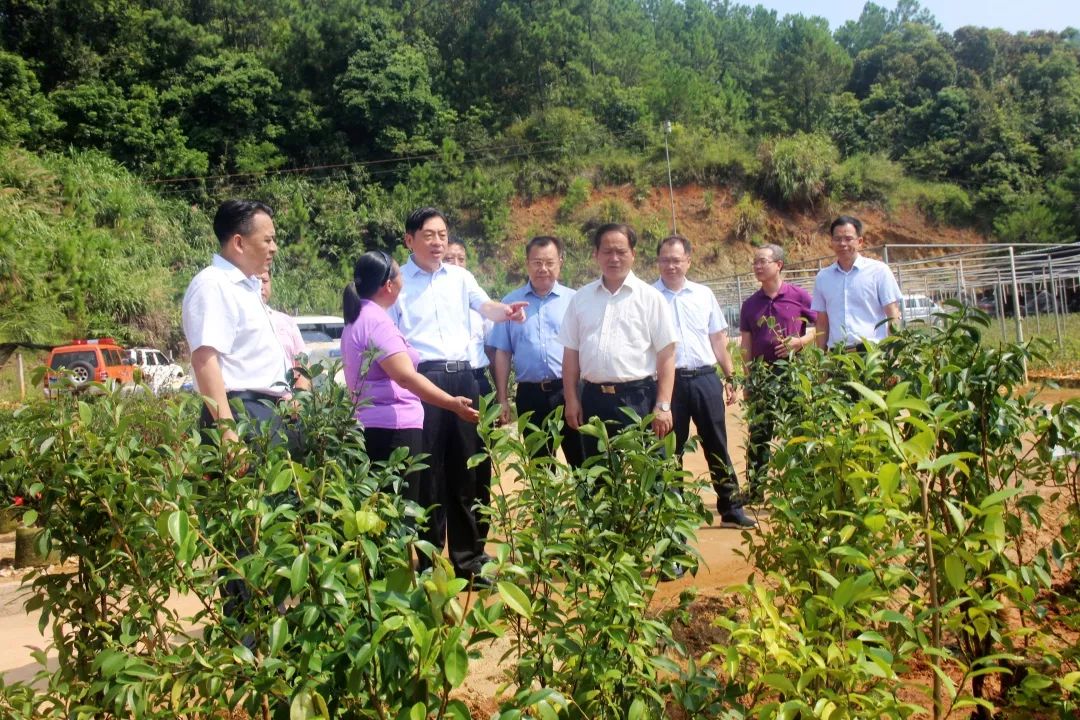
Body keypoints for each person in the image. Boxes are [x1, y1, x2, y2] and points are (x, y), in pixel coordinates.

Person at [389, 207, 527, 583]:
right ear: (409, 240)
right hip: (424, 382)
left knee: (471, 471)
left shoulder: (461, 277)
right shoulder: (398, 282)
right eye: (429, 235)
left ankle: (470, 561)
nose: (437, 242)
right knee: (428, 474)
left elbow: (486, 306)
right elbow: (390, 336)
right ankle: (431, 567)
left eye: (443, 235)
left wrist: (507, 311)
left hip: (466, 379)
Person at [340, 251, 478, 469]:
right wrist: (452, 403)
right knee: (399, 501)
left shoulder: (357, 319)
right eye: (399, 276)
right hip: (392, 430)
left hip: (369, 424)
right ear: (388, 285)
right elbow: (405, 377)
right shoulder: (377, 322)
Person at [655, 235, 755, 529]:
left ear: (688, 260)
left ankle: (730, 507)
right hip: (668, 384)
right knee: (670, 449)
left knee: (716, 442)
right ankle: (675, 511)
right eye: (664, 259)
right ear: (657, 262)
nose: (670, 265)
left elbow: (718, 339)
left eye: (676, 259)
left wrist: (729, 374)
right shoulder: (649, 296)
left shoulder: (703, 294)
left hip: (704, 378)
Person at [182, 199, 298, 453]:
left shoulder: (248, 287)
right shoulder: (213, 284)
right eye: (267, 240)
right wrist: (228, 432)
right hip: (242, 413)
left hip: (267, 413)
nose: (274, 248)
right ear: (239, 243)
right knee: (252, 492)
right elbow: (204, 359)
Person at [560, 223, 677, 460]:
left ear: (633, 254)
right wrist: (571, 400)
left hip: (638, 399)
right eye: (607, 251)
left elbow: (666, 355)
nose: (614, 258)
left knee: (649, 472)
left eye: (621, 251)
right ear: (596, 254)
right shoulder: (580, 299)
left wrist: (663, 405)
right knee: (597, 475)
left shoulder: (650, 298)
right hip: (592, 399)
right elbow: (570, 354)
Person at [489, 235, 584, 467]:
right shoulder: (511, 303)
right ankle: (546, 506)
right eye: (536, 262)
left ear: (561, 262)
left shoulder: (576, 300)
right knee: (540, 466)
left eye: (549, 262)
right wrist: (502, 398)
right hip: (530, 395)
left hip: (570, 391)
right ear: (526, 263)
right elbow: (502, 352)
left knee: (583, 463)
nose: (543, 269)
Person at [739, 243, 816, 496]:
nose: (758, 266)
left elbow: (819, 326)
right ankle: (755, 487)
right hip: (763, 377)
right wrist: (749, 381)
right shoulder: (750, 304)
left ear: (779, 265)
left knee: (798, 430)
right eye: (755, 262)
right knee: (760, 431)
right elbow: (746, 345)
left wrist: (800, 342)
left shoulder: (800, 296)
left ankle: (800, 486)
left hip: (793, 375)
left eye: (763, 261)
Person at [443, 237, 495, 541]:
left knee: (478, 463)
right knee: (446, 462)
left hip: (477, 381)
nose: (456, 264)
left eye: (461, 258)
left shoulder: (480, 309)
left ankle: (478, 540)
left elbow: (494, 349)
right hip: (442, 384)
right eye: (450, 259)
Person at [813, 215, 902, 351]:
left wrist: (893, 354)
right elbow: (822, 322)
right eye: (837, 239)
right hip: (838, 356)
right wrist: (820, 360)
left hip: (872, 353)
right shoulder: (823, 277)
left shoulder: (879, 271)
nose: (842, 244)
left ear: (860, 241)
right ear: (831, 242)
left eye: (848, 239)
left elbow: (893, 314)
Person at [259, 271, 310, 392]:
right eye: (255, 281)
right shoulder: (238, 322)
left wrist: (297, 403)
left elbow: (302, 364)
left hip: (288, 403)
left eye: (265, 281)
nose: (260, 287)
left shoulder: (287, 322)